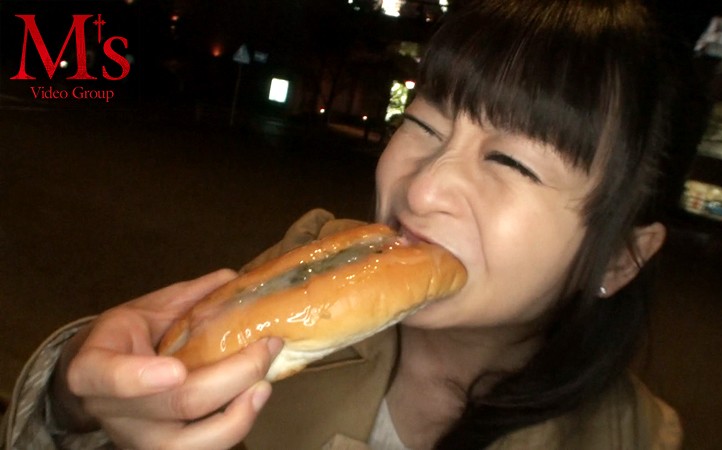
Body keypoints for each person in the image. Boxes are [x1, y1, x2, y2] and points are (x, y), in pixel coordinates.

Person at [2, 0, 685, 448]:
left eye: (510, 161)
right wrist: (72, 400)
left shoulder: (636, 438)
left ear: (620, 257)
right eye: (423, 124)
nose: (424, 187)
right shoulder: (311, 255)